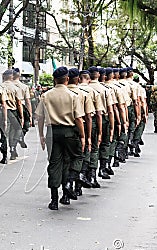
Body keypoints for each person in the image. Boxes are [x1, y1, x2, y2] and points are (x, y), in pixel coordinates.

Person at [36, 67, 85, 211]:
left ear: (54, 79)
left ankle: (54, 200)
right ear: (67, 79)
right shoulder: (73, 95)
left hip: (52, 132)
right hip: (69, 132)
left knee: (54, 163)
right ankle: (68, 186)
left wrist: (41, 135)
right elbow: (78, 119)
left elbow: (40, 117)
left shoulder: (46, 96)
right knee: (75, 158)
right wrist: (82, 136)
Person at [61, 68, 94, 204]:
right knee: (80, 155)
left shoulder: (61, 92)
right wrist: (88, 136)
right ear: (78, 79)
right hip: (80, 126)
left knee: (65, 160)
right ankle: (76, 186)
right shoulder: (84, 93)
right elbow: (88, 116)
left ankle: (65, 194)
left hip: (63, 127)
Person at [88, 66, 115, 182]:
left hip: (88, 119)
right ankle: (102, 169)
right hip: (103, 118)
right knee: (104, 144)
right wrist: (114, 126)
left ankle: (89, 174)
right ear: (98, 75)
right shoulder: (105, 89)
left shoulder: (85, 88)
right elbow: (110, 109)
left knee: (89, 147)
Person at [0, 69, 24, 161]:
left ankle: (4, 155)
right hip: (13, 111)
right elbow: (19, 103)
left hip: (2, 111)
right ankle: (13, 147)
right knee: (17, 129)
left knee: (5, 132)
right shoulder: (15, 88)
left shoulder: (0, 87)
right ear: (12, 77)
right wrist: (21, 116)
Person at [12, 68, 32, 148]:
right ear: (19, 75)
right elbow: (27, 101)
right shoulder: (24, 87)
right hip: (22, 107)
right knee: (26, 125)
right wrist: (30, 115)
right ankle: (20, 136)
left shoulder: (7, 86)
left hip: (10, 107)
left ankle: (13, 146)